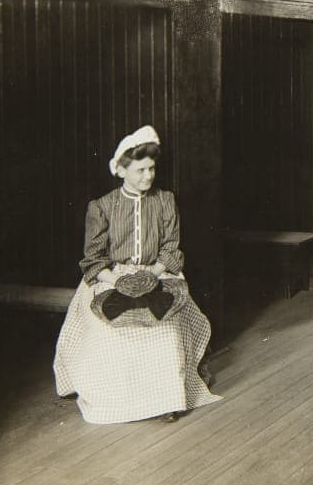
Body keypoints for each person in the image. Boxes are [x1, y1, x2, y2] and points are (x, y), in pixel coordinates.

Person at [53, 126, 220, 424]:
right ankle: (118, 401)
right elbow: (93, 261)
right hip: (110, 277)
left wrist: (151, 276)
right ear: (121, 170)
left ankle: (167, 399)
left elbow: (171, 249)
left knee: (165, 328)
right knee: (110, 331)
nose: (148, 176)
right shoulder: (102, 207)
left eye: (151, 169)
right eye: (140, 170)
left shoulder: (165, 200)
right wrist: (120, 281)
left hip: (158, 272)